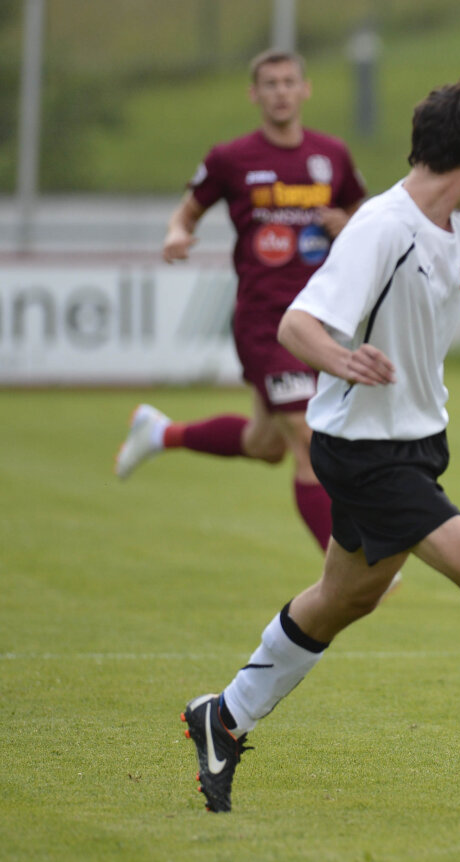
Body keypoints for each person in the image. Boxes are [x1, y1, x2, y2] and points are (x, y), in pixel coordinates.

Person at [180, 82, 460, 819]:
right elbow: (298, 325)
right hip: (364, 452)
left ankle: (225, 715)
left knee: (345, 596)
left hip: (416, 442)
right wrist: (343, 360)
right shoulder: (381, 228)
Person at [115, 49, 367, 552]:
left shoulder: (331, 155)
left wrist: (348, 223)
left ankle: (160, 433)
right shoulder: (230, 159)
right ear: (254, 94)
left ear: (305, 89)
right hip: (264, 322)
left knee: (265, 443)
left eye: (289, 82)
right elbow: (187, 212)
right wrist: (175, 233)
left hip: (321, 320)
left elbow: (363, 216)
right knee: (306, 437)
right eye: (270, 84)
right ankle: (351, 569)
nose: (280, 92)